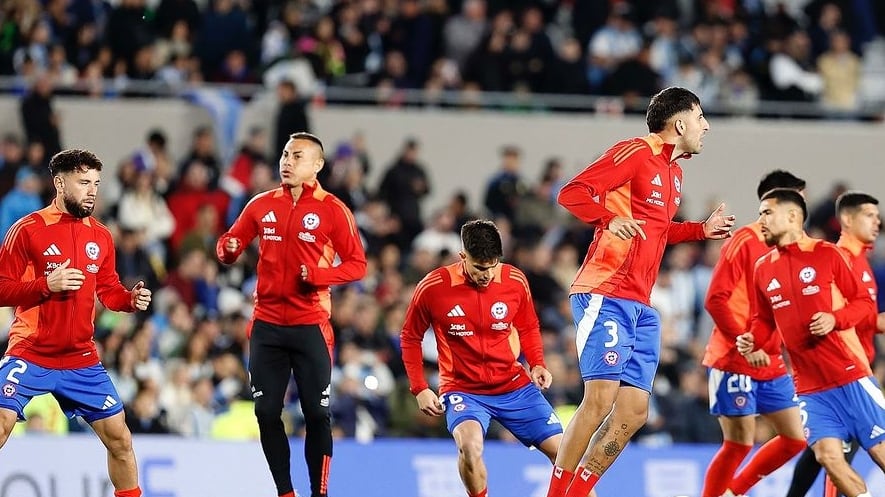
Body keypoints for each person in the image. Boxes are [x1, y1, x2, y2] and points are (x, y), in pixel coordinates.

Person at [545, 86, 736, 497]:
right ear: (679, 122)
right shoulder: (634, 152)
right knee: (599, 400)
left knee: (632, 412)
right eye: (701, 117)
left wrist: (700, 230)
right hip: (605, 290)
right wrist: (607, 219)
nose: (706, 126)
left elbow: (659, 231)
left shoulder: (674, 172)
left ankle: (578, 491)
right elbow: (572, 192)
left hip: (640, 305)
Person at [216, 132, 367, 497]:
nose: (287, 162)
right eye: (284, 154)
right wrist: (229, 248)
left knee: (317, 415)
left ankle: (319, 492)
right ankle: (286, 492)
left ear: (317, 165)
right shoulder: (261, 204)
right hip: (267, 326)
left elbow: (358, 265)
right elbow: (228, 246)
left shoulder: (333, 210)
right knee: (267, 413)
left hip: (310, 326)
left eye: (297, 156)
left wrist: (320, 276)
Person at [0, 148, 152, 497]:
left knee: (121, 439)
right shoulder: (28, 230)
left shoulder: (100, 235)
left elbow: (109, 289)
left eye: (96, 183)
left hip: (81, 358)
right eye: (83, 182)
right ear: (59, 182)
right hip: (31, 352)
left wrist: (129, 300)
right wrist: (44, 286)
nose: (92, 190)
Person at [401, 219, 588, 497]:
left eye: (492, 266)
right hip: (464, 389)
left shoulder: (514, 280)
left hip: (514, 386)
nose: (487, 275)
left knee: (566, 457)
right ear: (463, 257)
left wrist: (537, 362)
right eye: (479, 267)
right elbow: (410, 336)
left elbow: (527, 325)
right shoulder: (434, 287)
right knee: (469, 446)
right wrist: (419, 387)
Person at [737, 188, 885, 497]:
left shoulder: (826, 254)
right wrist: (754, 339)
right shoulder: (762, 268)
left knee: (880, 454)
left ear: (792, 216)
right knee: (827, 456)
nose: (760, 220)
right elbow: (763, 321)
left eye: (767, 213)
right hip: (810, 388)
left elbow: (861, 303)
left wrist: (835, 319)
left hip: (850, 376)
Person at [701, 170, 809, 497]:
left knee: (795, 438)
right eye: (798, 199)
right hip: (734, 357)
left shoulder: (794, 249)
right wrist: (743, 342)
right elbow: (715, 299)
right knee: (739, 443)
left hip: (771, 359)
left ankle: (733, 491)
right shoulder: (745, 241)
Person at [785, 191, 885, 497]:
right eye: (869, 215)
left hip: (853, 369)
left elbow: (860, 317)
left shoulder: (860, 260)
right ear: (846, 219)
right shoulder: (838, 258)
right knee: (834, 455)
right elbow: (849, 318)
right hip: (842, 374)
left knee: (829, 454)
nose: (877, 221)